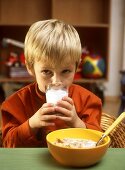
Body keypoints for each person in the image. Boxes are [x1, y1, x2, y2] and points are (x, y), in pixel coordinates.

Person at [1, 19, 102, 148]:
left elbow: (98, 141)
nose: (56, 81)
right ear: (30, 67)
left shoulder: (88, 101)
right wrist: (32, 124)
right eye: (47, 71)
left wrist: (76, 122)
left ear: (77, 67)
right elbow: (8, 145)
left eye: (65, 71)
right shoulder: (15, 104)